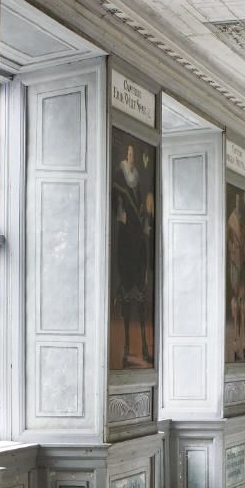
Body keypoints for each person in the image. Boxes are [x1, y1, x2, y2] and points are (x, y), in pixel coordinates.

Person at [112, 140, 155, 367]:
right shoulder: (119, 176)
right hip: (126, 232)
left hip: (137, 230)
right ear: (125, 156)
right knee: (128, 295)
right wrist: (120, 212)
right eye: (128, 153)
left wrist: (145, 213)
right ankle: (128, 347)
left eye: (132, 154)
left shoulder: (138, 178)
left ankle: (145, 346)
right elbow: (116, 201)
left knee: (140, 297)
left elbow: (142, 202)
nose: (131, 156)